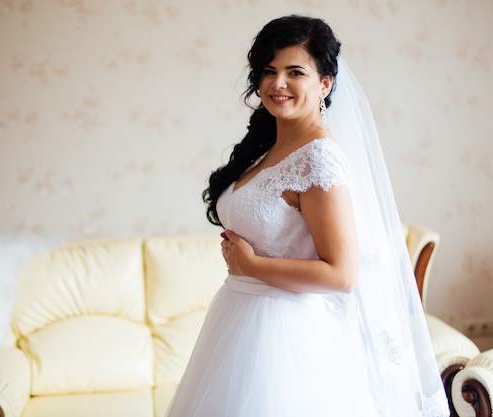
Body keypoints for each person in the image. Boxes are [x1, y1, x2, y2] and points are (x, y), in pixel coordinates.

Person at [165, 15, 449, 417]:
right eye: (269, 71)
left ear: (325, 84)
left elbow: (342, 275)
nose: (277, 84)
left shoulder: (319, 158)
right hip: (237, 319)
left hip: (284, 334)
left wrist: (252, 264)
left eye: (294, 72)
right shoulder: (267, 150)